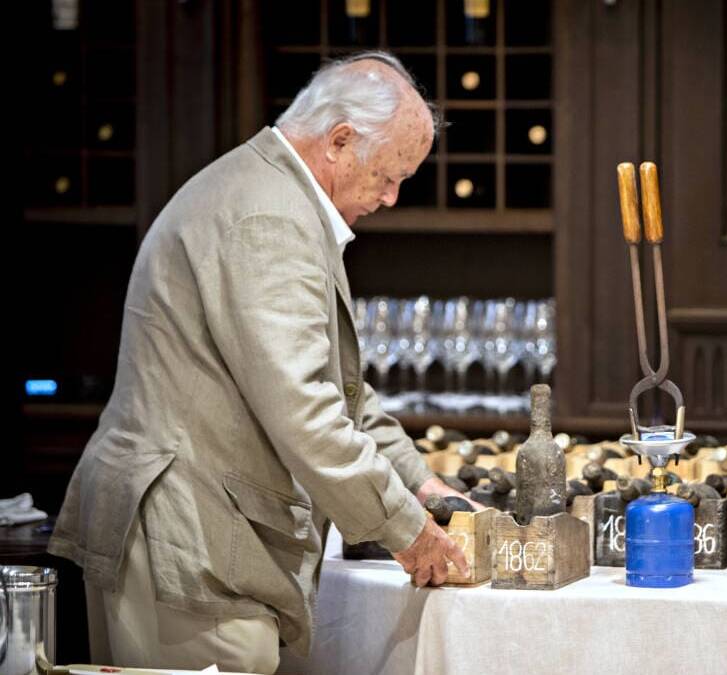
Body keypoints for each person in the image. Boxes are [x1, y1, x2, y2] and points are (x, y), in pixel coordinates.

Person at [49, 51, 476, 673]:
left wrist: (421, 483)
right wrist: (407, 530)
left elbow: (341, 393)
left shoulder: (270, 193)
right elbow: (305, 410)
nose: (390, 197)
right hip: (188, 542)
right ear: (339, 141)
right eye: (388, 175)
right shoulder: (268, 217)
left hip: (195, 534)